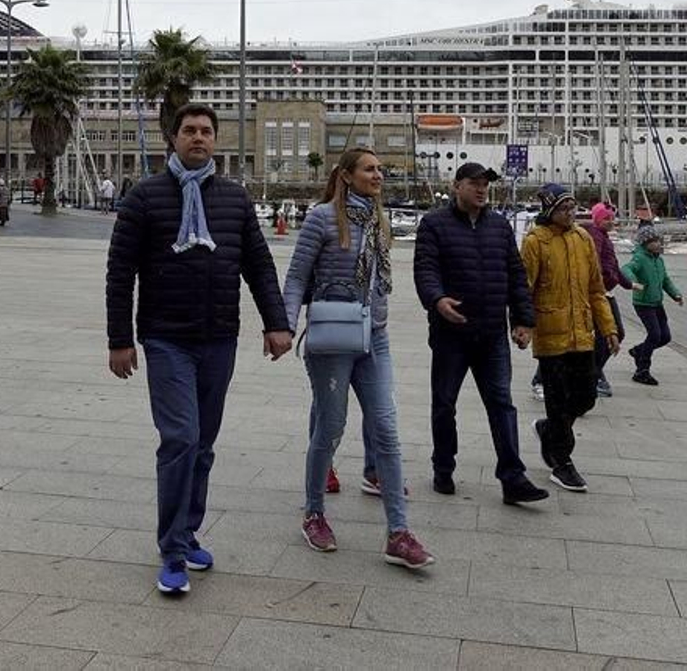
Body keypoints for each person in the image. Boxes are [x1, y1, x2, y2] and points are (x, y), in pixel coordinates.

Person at [105, 103, 292, 595]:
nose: (199, 138)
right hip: (166, 339)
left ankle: (188, 532)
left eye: (206, 131)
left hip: (218, 339)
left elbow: (259, 265)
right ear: (173, 139)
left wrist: (277, 324)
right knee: (181, 439)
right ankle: (171, 551)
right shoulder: (144, 197)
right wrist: (119, 339)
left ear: (216, 140)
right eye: (189, 130)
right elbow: (120, 274)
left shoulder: (235, 198)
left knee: (203, 446)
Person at [283, 148, 434, 569]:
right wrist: (284, 323)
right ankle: (314, 513)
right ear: (346, 176)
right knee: (330, 428)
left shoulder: (379, 220)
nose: (379, 175)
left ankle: (399, 533)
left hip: (376, 336)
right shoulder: (321, 219)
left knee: (385, 428)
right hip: (333, 336)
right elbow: (296, 276)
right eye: (370, 169)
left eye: (380, 170)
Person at [414, 162, 549, 505]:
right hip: (451, 334)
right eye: (474, 183)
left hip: (491, 335)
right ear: (456, 185)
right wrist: (437, 299)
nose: (481, 190)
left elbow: (516, 277)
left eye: (485, 185)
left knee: (502, 404)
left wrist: (523, 320)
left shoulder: (500, 227)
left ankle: (513, 478)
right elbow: (425, 269)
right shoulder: (433, 224)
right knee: (445, 404)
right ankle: (443, 467)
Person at [521, 184, 617, 492]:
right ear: (550, 211)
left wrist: (609, 328)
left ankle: (548, 431)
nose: (571, 212)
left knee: (586, 396)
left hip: (582, 334)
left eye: (573, 206)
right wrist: (523, 324)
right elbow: (525, 287)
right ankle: (561, 461)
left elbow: (595, 289)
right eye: (564, 208)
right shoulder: (536, 242)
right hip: (551, 335)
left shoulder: (582, 238)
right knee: (558, 401)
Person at [623, 224, 684, 386]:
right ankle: (642, 370)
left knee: (665, 337)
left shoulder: (659, 260)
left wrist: (675, 294)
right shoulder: (640, 258)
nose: (658, 244)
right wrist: (633, 282)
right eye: (653, 241)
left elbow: (665, 280)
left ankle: (639, 351)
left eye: (658, 240)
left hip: (657, 303)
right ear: (645, 243)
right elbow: (627, 269)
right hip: (643, 303)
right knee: (655, 335)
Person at [583, 202, 633, 397]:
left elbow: (613, 266)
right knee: (612, 333)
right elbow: (594, 261)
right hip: (598, 292)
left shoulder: (604, 237)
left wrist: (628, 284)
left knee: (611, 334)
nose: (611, 222)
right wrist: (599, 282)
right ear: (597, 219)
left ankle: (593, 374)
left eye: (612, 218)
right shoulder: (595, 235)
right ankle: (592, 375)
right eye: (606, 218)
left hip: (603, 291)